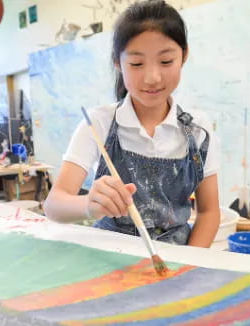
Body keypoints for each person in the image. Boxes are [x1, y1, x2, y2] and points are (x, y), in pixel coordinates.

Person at [44, 0, 220, 247]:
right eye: (136, 64)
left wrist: (188, 268)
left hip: (177, 260)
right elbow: (54, 205)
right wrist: (88, 204)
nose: (152, 77)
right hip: (109, 255)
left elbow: (209, 213)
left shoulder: (197, 129)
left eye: (166, 61)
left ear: (184, 56)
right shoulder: (98, 123)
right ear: (118, 62)